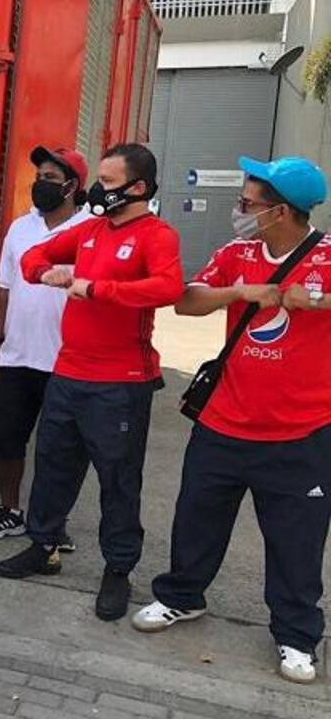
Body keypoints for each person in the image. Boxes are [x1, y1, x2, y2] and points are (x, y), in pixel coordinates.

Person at [133, 157, 330, 684]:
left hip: (301, 433)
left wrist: (315, 299)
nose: (239, 212)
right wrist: (242, 292)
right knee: (197, 518)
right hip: (223, 423)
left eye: (248, 204)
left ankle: (296, 634)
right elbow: (188, 301)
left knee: (296, 542)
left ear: (280, 212)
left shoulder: (327, 258)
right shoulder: (236, 254)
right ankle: (180, 596)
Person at [0, 144, 183, 623]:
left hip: (121, 382)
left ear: (137, 188)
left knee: (118, 480)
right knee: (54, 465)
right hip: (69, 373)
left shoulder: (155, 235)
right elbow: (33, 256)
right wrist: (46, 271)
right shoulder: (91, 230)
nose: (99, 189)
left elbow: (168, 288)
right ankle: (43, 544)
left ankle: (118, 569)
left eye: (109, 179)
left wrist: (94, 288)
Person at [0, 147, 92, 547]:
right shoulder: (20, 228)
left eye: (51, 179)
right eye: (39, 176)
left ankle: (52, 524)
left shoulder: (93, 230)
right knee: (5, 440)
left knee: (60, 450)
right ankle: (10, 511)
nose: (41, 185)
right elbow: (5, 286)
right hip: (17, 355)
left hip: (68, 359)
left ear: (73, 187)